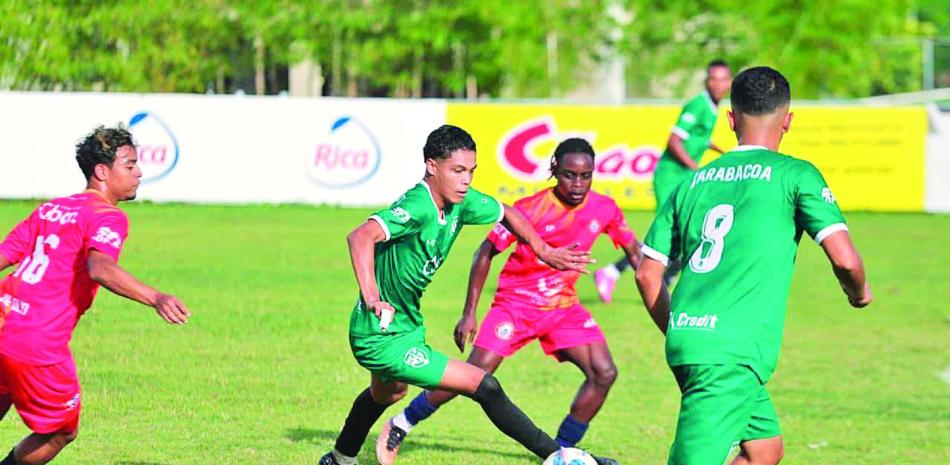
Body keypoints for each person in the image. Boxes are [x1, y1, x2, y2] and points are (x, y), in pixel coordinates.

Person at [319, 126, 617, 465]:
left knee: (388, 394)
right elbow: (360, 236)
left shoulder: (460, 201)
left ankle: (340, 459)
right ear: (432, 166)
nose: (466, 180)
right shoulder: (419, 206)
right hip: (380, 333)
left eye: (471, 171)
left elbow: (507, 212)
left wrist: (543, 250)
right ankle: (559, 458)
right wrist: (373, 298)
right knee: (483, 385)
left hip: (405, 323)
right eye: (457, 170)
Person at [634, 66, 872, 465]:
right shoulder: (796, 175)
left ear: (730, 120)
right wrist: (859, 293)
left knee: (764, 451)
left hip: (696, 343)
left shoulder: (692, 181)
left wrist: (679, 327)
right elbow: (846, 260)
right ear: (789, 121)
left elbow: (646, 273)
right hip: (731, 354)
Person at [0, 125, 191, 465]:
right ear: (102, 171)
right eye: (130, 165)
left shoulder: (50, 209)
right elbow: (100, 268)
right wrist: (156, 297)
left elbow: (4, 255)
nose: (139, 172)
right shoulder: (107, 215)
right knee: (61, 430)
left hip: (3, 320)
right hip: (37, 339)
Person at [595, 60, 733, 302]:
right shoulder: (698, 104)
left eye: (723, 79)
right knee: (671, 232)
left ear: (729, 81)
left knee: (690, 231)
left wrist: (720, 151)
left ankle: (660, 281)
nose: (718, 84)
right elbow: (674, 141)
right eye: (713, 78)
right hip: (672, 176)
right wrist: (695, 168)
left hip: (685, 177)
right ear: (706, 81)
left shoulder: (712, 106)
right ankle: (613, 272)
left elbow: (697, 138)